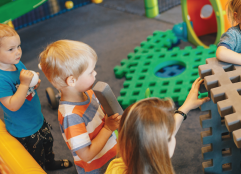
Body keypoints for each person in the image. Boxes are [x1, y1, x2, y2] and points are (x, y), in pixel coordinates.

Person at [39, 40, 121, 173]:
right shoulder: (71, 116)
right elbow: (86, 154)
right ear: (72, 80)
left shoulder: (88, 92)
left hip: (112, 153)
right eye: (90, 72)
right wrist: (108, 128)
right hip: (99, 167)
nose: (95, 73)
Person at [0, 24, 72, 170]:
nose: (18, 52)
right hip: (24, 129)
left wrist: (32, 85)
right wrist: (25, 84)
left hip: (36, 118)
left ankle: (50, 162)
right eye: (11, 49)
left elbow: (26, 90)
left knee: (48, 142)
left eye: (18, 46)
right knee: (35, 157)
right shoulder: (1, 79)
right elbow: (12, 105)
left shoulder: (17, 63)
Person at [105, 77, 210, 174]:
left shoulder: (117, 166)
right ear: (159, 148)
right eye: (170, 137)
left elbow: (155, 134)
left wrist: (186, 106)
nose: (173, 134)